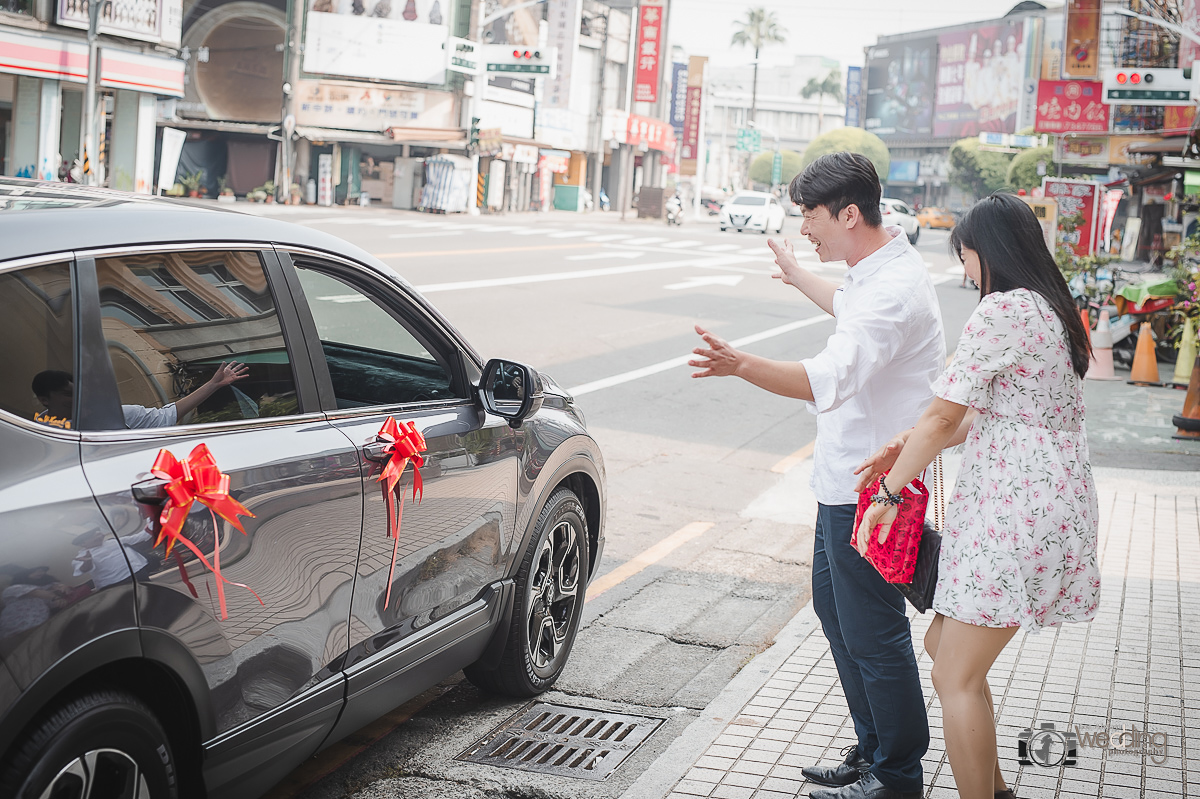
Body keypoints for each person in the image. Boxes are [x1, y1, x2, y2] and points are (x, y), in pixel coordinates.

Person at [690, 152, 945, 799]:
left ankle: (897, 776)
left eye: (810, 216)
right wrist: (800, 274)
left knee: (874, 634)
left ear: (849, 213)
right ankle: (873, 749)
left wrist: (738, 363)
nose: (804, 227)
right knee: (840, 619)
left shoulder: (888, 293)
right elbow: (845, 303)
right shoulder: (876, 268)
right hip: (845, 483)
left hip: (876, 491)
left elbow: (828, 373)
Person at [854, 192, 1100, 799]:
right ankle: (998, 790)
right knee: (947, 650)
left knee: (952, 673)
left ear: (985, 250)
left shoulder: (1004, 310)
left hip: (1012, 513)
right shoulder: (1051, 309)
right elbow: (972, 418)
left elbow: (945, 417)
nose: (964, 271)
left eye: (964, 256)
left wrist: (889, 490)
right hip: (1043, 506)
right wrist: (901, 447)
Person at [31, 362, 249, 430]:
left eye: (78, 394)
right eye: (68, 395)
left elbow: (167, 415)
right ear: (45, 400)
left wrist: (213, 385)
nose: (77, 400)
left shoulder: (117, 416)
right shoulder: (37, 433)